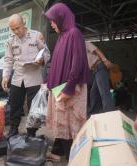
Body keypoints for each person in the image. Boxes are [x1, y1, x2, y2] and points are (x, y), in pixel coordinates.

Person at [44, 3, 89, 161]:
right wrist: (48, 82)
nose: (51, 24)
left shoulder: (74, 34)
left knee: (71, 124)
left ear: (61, 18)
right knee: (63, 123)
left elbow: (77, 64)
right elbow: (57, 63)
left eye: (53, 20)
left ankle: (75, 158)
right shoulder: (62, 36)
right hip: (60, 87)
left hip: (70, 87)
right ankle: (59, 153)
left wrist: (69, 87)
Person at [2, 14, 50, 138]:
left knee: (33, 107)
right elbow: (8, 60)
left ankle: (31, 132)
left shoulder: (36, 36)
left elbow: (46, 53)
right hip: (17, 78)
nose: (16, 31)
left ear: (24, 22)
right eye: (13, 29)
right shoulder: (11, 40)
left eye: (18, 28)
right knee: (15, 105)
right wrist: (5, 76)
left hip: (34, 77)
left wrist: (42, 60)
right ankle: (13, 129)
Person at [86, 42, 115, 117]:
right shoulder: (76, 49)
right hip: (95, 70)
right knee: (93, 92)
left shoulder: (84, 43)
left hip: (99, 66)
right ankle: (92, 114)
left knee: (104, 92)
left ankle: (110, 115)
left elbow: (97, 50)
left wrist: (105, 60)